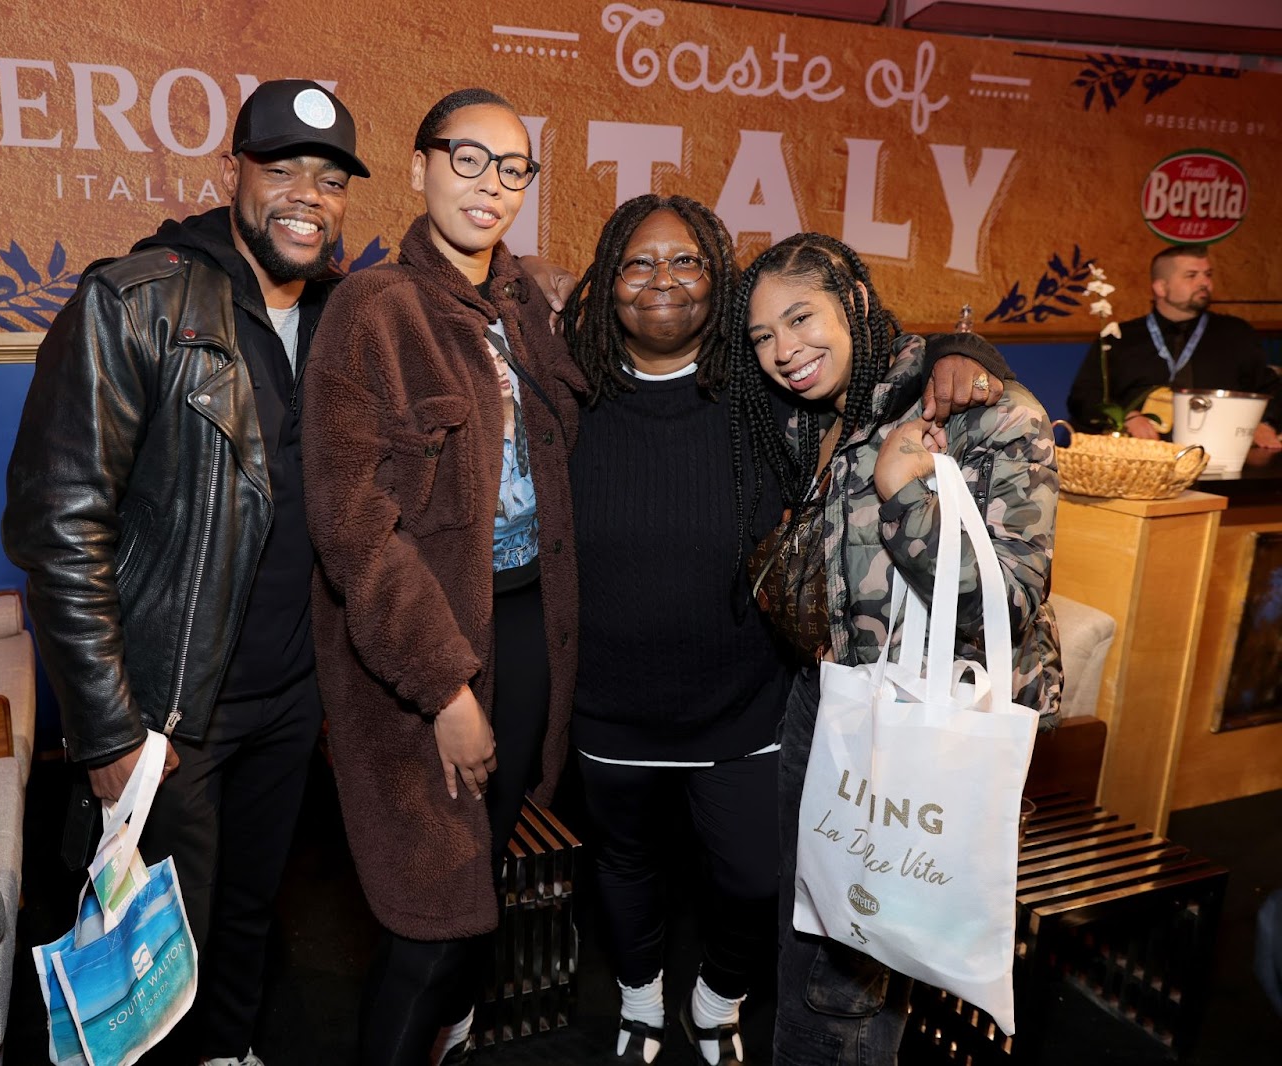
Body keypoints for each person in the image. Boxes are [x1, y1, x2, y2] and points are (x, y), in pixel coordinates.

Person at [560, 199, 1016, 1066]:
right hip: (608, 705)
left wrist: (965, 352)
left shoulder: (767, 395)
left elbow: (880, 370)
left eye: (688, 262)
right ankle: (639, 994)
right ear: (606, 283)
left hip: (745, 702)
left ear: (719, 285)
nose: (663, 280)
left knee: (755, 876)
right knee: (623, 867)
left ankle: (719, 993)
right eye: (637, 264)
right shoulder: (571, 394)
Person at [3, 79, 371, 1066]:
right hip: (168, 711)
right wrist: (109, 729)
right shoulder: (137, 298)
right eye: (283, 166)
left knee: (252, 910)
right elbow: (56, 525)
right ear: (235, 172)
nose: (307, 195)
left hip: (288, 699)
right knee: (156, 948)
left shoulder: (340, 319)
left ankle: (233, 1049)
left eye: (329, 178)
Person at [301, 87, 583, 1066]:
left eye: (512, 168)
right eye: (468, 159)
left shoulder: (524, 306)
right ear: (419, 167)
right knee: (430, 909)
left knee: (479, 879)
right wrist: (446, 685)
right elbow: (354, 529)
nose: (490, 185)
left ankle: (446, 1041)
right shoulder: (371, 310)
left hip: (524, 627)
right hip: (420, 645)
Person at [734, 232, 1062, 1066]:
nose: (784, 352)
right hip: (837, 698)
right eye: (763, 337)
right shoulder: (826, 410)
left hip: (935, 713)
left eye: (801, 318)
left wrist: (902, 490)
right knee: (815, 925)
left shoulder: (994, 412)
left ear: (851, 303)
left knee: (851, 967)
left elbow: (1010, 602)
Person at [1067, 243, 1282, 447]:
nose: (1204, 283)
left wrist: (1266, 423)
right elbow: (1084, 398)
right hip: (1140, 458)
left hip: (1221, 456)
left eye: (1207, 275)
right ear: (1161, 287)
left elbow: (1271, 389)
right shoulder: (1120, 337)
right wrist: (1126, 417)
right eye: (1191, 275)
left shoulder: (1235, 333)